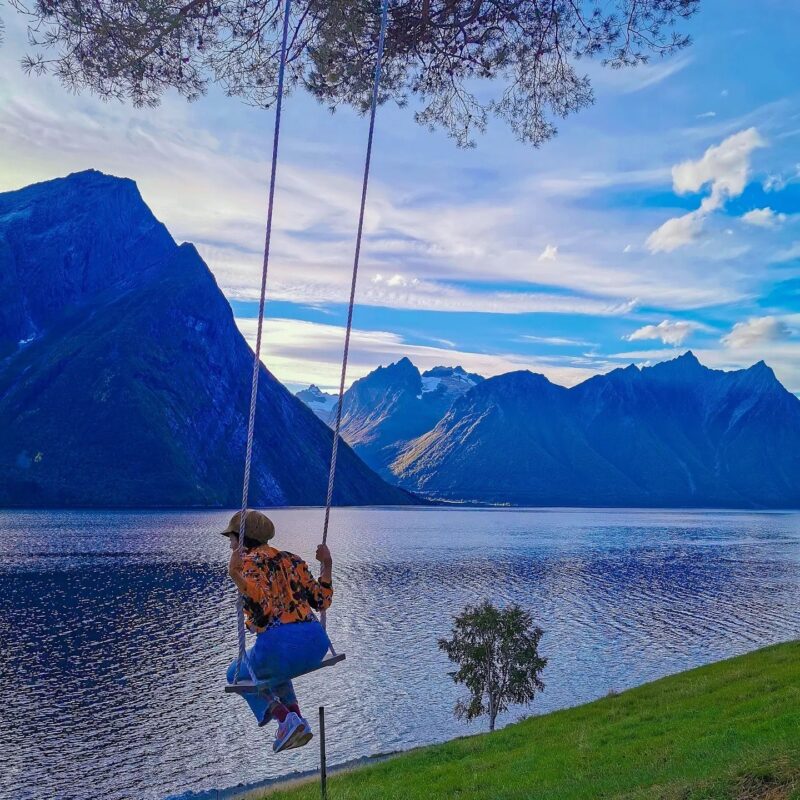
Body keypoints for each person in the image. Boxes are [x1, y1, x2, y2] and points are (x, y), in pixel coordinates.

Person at [223, 508, 333, 753]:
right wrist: (327, 564)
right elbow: (322, 601)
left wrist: (235, 575)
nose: (229, 544)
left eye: (230, 537)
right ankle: (297, 719)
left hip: (281, 647)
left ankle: (283, 718)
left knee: (235, 674)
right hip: (317, 642)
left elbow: (262, 608)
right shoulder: (292, 559)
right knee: (274, 670)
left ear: (241, 539)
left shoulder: (249, 563)